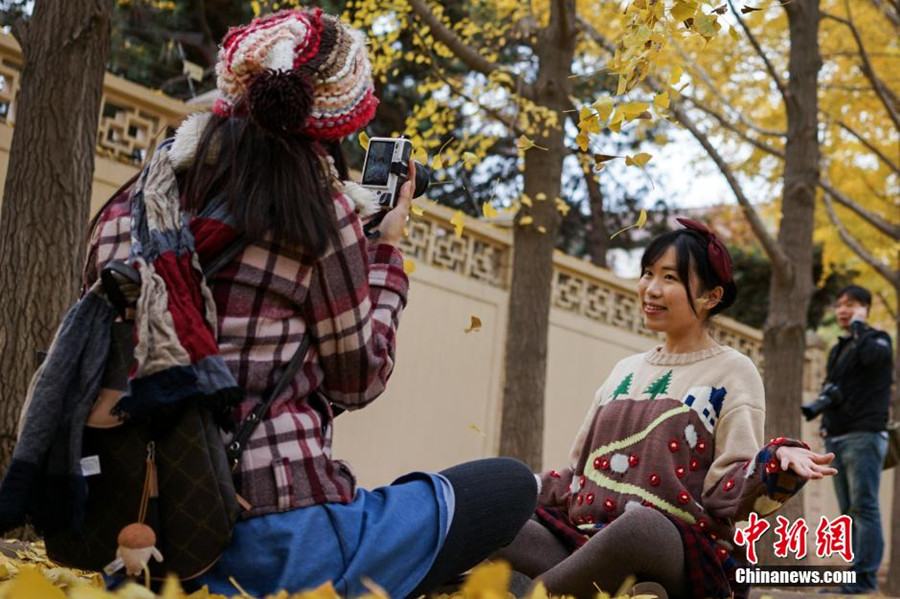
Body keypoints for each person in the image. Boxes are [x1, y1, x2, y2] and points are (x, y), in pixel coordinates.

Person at [83, 8, 536, 598]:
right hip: (273, 539)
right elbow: (359, 380)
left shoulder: (133, 205)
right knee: (508, 486)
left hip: (135, 531)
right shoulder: (321, 216)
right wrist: (387, 251)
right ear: (332, 120)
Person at [496, 218, 837, 599]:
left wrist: (776, 458)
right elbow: (579, 478)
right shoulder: (623, 371)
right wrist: (513, 490)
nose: (650, 289)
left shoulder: (733, 370)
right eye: (647, 274)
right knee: (496, 519)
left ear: (711, 296)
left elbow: (728, 491)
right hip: (586, 539)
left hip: (677, 551)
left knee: (641, 525)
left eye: (670, 278)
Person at [818, 285, 893, 594]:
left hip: (864, 435)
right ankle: (852, 577)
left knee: (865, 507)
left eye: (850, 304)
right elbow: (830, 388)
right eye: (839, 305)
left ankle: (865, 579)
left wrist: (862, 326)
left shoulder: (877, 339)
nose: (842, 310)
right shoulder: (838, 348)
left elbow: (874, 359)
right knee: (849, 510)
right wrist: (824, 424)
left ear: (864, 308)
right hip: (836, 437)